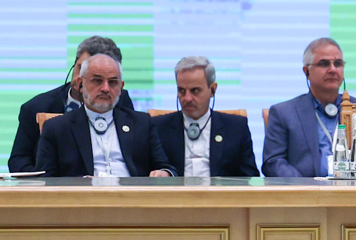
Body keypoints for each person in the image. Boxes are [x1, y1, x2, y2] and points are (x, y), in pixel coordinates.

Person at [9, 36, 135, 173]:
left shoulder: (120, 100)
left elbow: (132, 152)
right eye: (81, 68)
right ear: (74, 65)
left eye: (97, 77)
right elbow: (19, 160)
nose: (82, 77)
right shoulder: (36, 107)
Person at [35, 54, 174, 177]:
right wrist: (80, 185)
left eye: (113, 82)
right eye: (97, 80)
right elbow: (46, 181)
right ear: (81, 84)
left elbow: (164, 167)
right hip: (82, 201)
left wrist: (164, 173)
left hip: (132, 199)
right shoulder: (57, 128)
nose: (105, 88)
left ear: (121, 88)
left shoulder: (141, 123)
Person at [261, 38, 356, 177]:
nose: (332, 70)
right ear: (306, 71)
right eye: (324, 64)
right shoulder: (284, 113)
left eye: (338, 63)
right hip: (305, 195)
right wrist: (306, 188)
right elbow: (273, 162)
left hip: (353, 193)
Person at [151, 56, 259, 177]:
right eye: (181, 90)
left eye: (195, 90)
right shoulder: (158, 127)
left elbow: (250, 176)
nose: (187, 98)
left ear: (212, 90)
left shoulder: (236, 127)